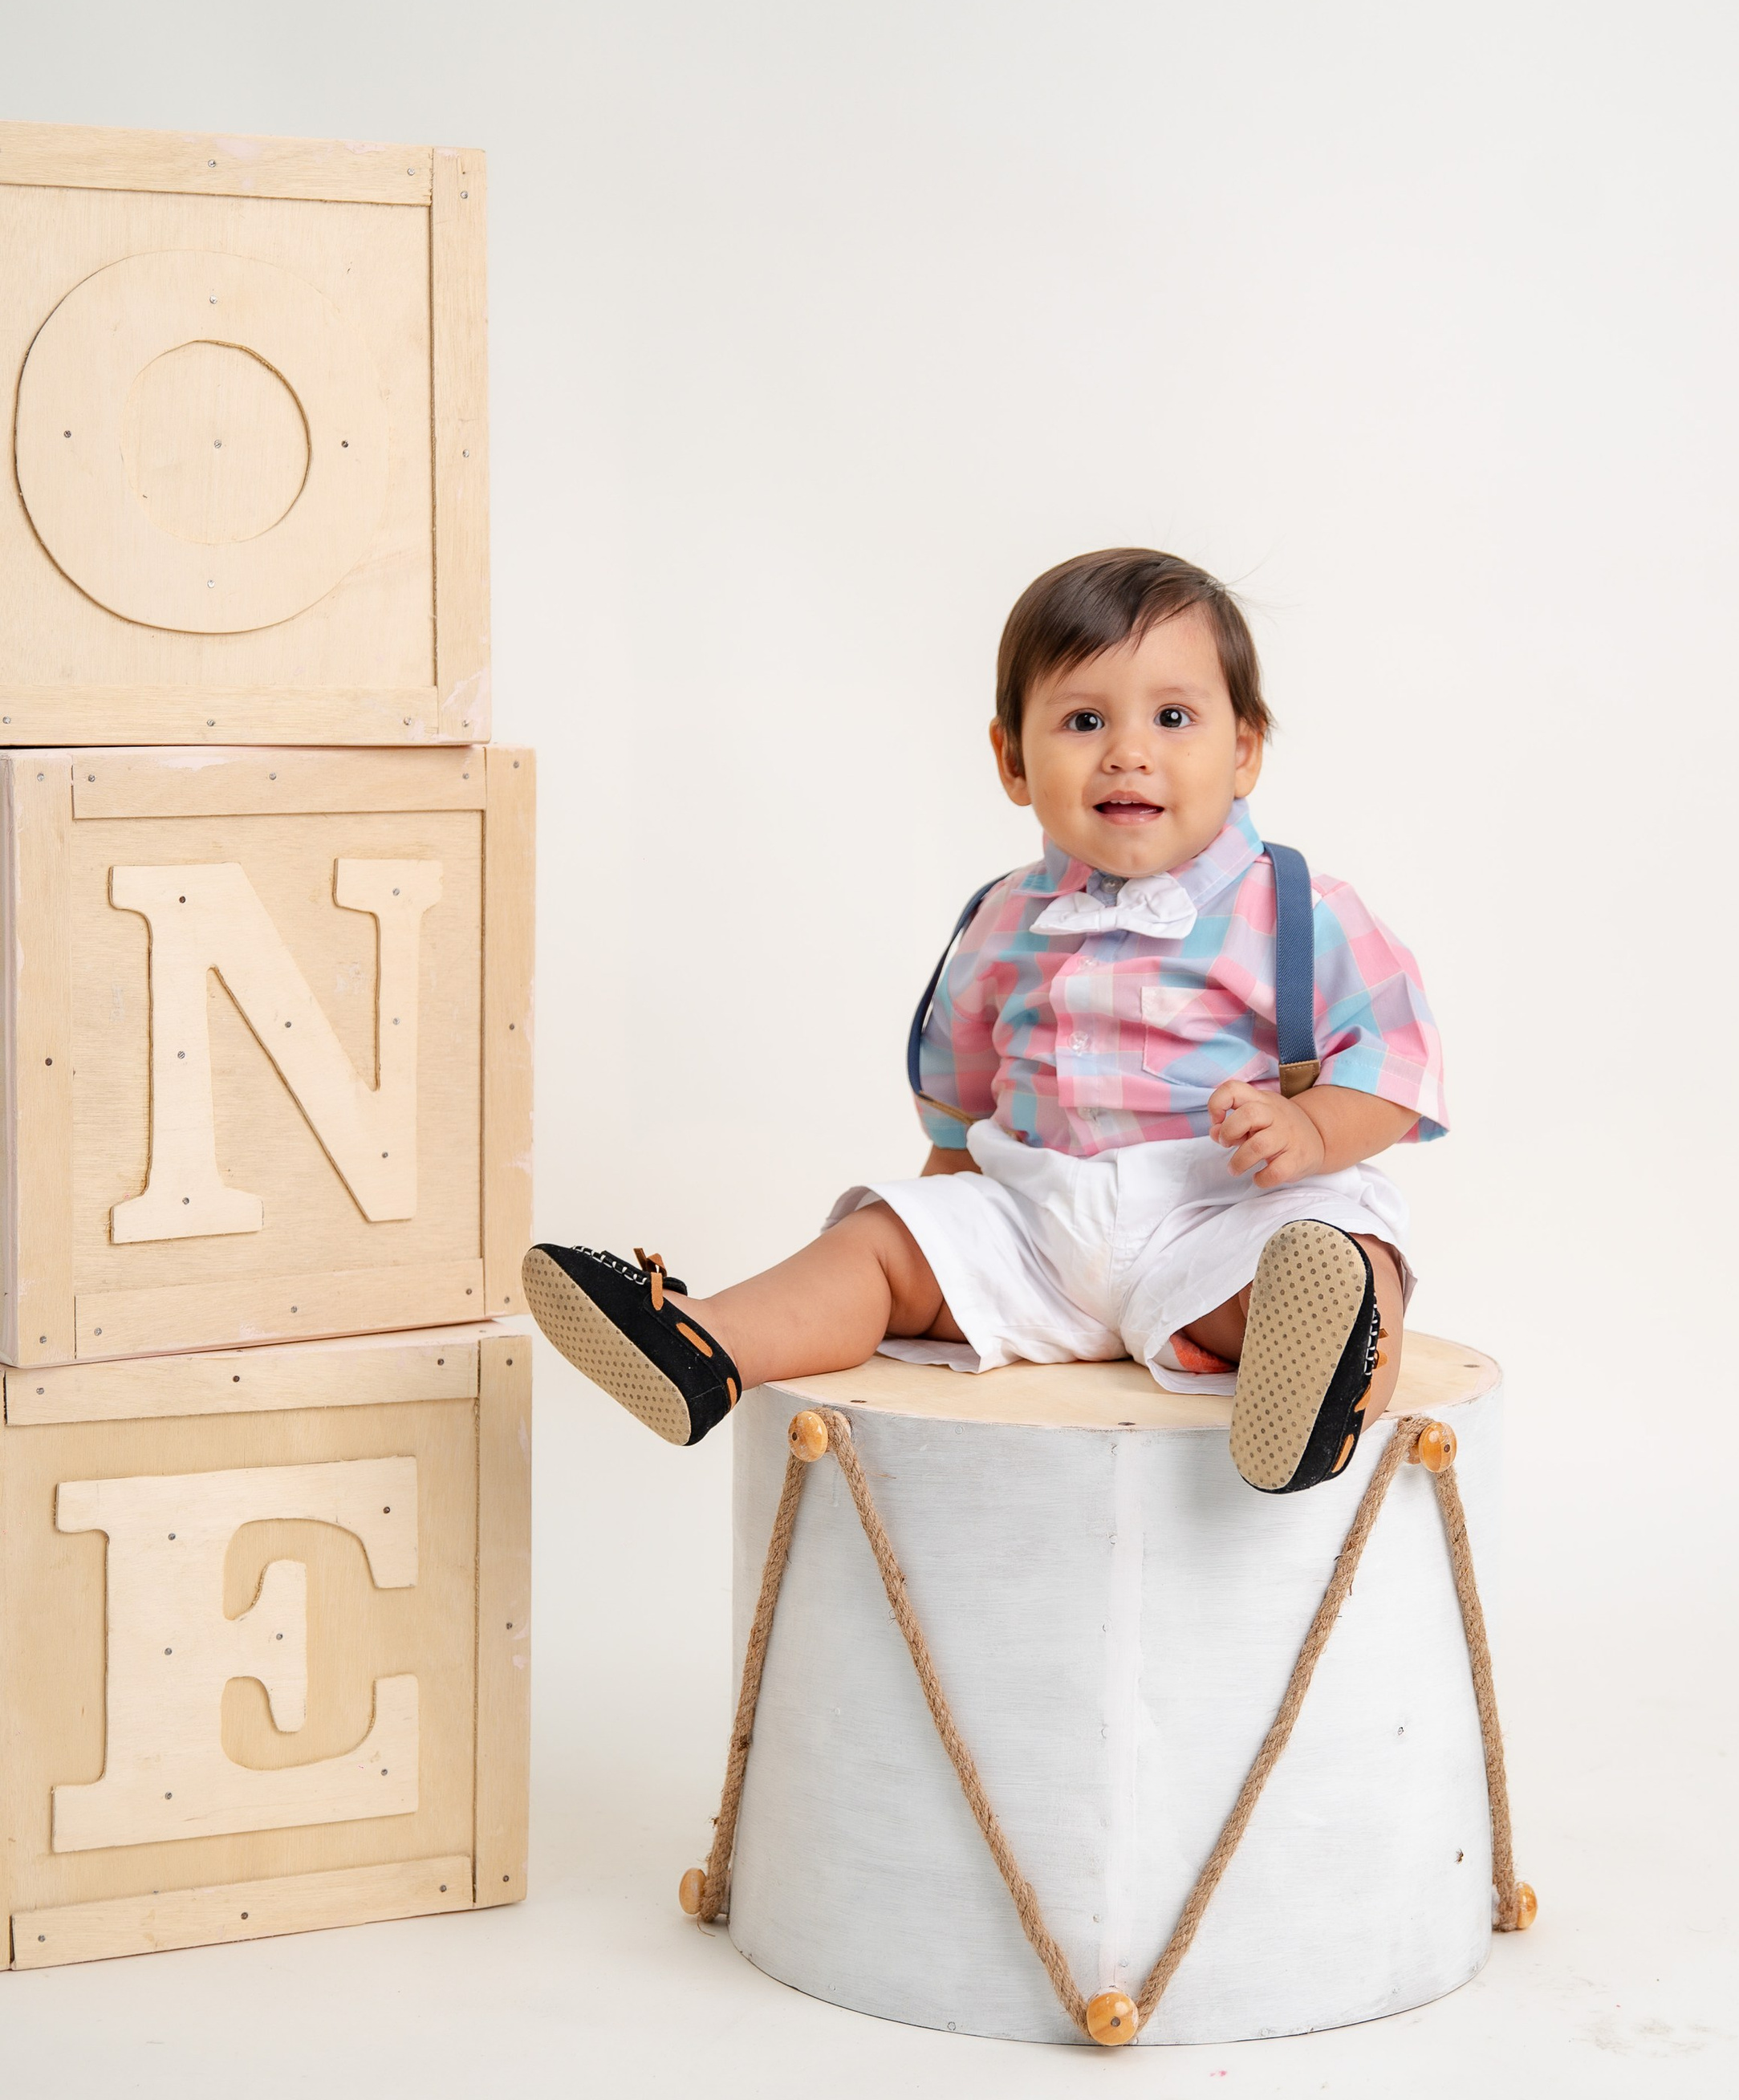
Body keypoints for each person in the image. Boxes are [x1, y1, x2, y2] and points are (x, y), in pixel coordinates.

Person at [523, 546, 1447, 1493]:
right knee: (880, 1245)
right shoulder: (1005, 916)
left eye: (1173, 717)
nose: (1129, 751)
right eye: (1084, 720)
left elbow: (1397, 1065)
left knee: (1337, 1255)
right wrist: (938, 1222)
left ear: (1243, 748)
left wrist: (1307, 1127)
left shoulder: (1299, 909)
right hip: (1037, 1222)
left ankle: (1319, 1394)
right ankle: (704, 1343)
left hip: (1224, 1216)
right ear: (1011, 759)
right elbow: (960, 1091)